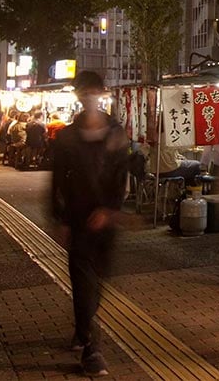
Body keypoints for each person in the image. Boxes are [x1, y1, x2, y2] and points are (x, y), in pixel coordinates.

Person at [50, 71, 130, 377]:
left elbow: (121, 176)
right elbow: (56, 180)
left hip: (106, 223)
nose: (89, 96)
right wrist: (59, 219)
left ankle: (83, 326)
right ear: (79, 96)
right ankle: (91, 347)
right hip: (77, 218)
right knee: (83, 283)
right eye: (84, 92)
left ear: (102, 92)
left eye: (94, 91)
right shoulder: (67, 136)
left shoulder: (115, 132)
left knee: (98, 282)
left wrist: (110, 210)